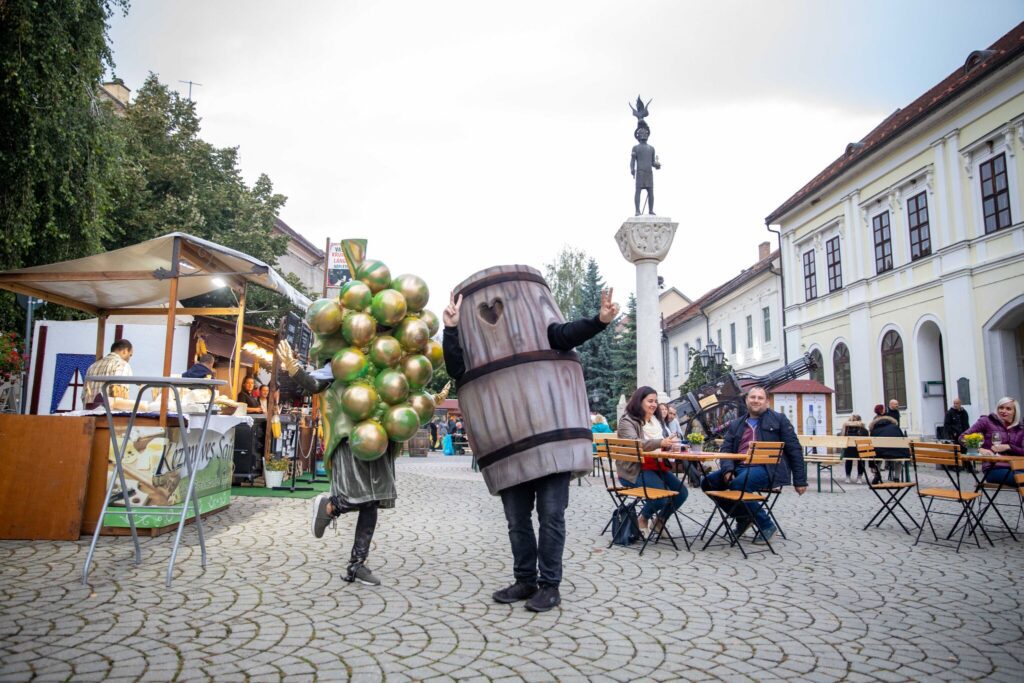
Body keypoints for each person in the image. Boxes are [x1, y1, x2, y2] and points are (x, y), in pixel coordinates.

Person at [442, 287, 619, 613]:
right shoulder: (479, 346)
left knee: (551, 516)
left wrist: (600, 320)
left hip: (552, 440)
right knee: (516, 519)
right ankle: (525, 579)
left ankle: (550, 586)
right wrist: (451, 328)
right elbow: (457, 368)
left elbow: (566, 333)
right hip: (509, 443)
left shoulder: (543, 330)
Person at [281, 340, 400, 586]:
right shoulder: (343, 358)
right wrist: (294, 368)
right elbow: (315, 384)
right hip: (350, 439)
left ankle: (357, 566)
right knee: (353, 496)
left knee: (372, 501)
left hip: (378, 438)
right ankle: (331, 506)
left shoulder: (385, 356)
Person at [701, 386, 807, 544]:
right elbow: (726, 449)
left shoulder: (779, 420)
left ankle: (766, 525)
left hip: (767, 468)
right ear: (746, 400)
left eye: (760, 398)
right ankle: (743, 517)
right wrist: (728, 469)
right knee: (708, 483)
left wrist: (800, 480)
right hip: (740, 467)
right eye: (752, 397)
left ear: (767, 402)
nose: (756, 400)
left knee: (739, 484)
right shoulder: (737, 423)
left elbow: (794, 449)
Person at [615, 386, 687, 534]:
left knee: (682, 492)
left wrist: (669, 446)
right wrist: (661, 443)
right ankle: (643, 518)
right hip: (634, 470)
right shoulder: (627, 421)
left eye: (655, 401)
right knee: (660, 495)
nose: (654, 404)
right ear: (639, 401)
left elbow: (661, 443)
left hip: (656, 467)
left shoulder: (655, 421)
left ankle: (659, 521)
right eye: (650, 401)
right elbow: (636, 444)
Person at [961, 397, 1024, 485]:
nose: (1003, 411)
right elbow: (963, 437)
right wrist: (979, 449)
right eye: (1001, 408)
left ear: (1015, 412)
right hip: (994, 468)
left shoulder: (1020, 428)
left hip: (1018, 466)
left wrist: (1009, 447)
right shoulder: (986, 421)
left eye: (1008, 409)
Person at [83, 339, 134, 408]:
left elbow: (84, 396)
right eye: (130, 355)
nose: (129, 358)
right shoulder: (122, 364)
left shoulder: (92, 366)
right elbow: (119, 396)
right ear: (125, 351)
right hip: (109, 416)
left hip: (89, 415)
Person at [868, 404, 908, 483]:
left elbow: (871, 443)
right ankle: (897, 477)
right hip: (896, 452)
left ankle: (877, 475)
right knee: (899, 459)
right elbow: (902, 439)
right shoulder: (895, 427)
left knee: (876, 456)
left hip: (880, 453)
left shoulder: (874, 428)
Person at [630, 124, 661, 215]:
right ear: (638, 136)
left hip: (648, 172)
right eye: (641, 133)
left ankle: (651, 210)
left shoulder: (651, 148)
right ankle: (637, 210)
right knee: (638, 191)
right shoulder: (635, 148)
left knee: (650, 191)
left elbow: (652, 162)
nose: (643, 135)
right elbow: (632, 160)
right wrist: (632, 169)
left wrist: (657, 165)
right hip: (640, 172)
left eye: (645, 133)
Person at [839, 414, 870, 484]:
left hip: (849, 452)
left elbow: (840, 437)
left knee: (849, 459)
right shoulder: (864, 430)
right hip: (861, 451)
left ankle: (848, 477)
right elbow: (867, 443)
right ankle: (859, 477)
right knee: (862, 459)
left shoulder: (846, 429)